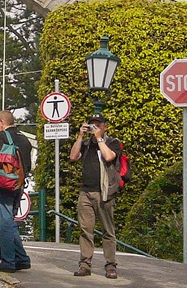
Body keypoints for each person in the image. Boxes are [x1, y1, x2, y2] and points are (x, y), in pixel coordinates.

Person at [69, 114, 121, 279]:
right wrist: (80, 136)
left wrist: (99, 139)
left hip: (105, 193)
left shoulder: (112, 142)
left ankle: (111, 266)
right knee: (86, 231)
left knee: (108, 232)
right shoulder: (86, 144)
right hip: (86, 192)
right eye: (92, 125)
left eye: (98, 125)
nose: (95, 128)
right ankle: (85, 265)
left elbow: (109, 157)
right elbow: (73, 157)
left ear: (104, 127)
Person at [0, 110, 33, 273]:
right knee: (10, 221)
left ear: (2, 122)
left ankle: (8, 262)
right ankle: (21, 259)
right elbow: (28, 166)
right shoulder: (24, 139)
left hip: (4, 185)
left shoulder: (3, 136)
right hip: (18, 185)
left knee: (4, 224)